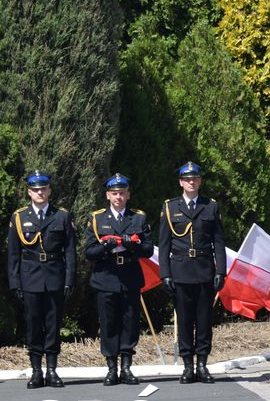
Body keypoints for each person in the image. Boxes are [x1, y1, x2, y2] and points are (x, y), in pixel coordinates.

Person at [159, 161, 227, 384]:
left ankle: (202, 364)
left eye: (195, 178)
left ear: (200, 181)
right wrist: (165, 274)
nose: (191, 182)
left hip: (205, 269)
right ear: (181, 182)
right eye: (187, 179)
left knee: (204, 320)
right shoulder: (170, 207)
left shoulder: (210, 206)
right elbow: (164, 244)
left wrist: (221, 271)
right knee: (185, 320)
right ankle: (188, 365)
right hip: (180, 270)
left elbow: (218, 241)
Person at [7, 171, 75, 388]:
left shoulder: (62, 216)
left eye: (43, 189)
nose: (40, 192)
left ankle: (52, 370)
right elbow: (13, 254)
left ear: (49, 191)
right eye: (35, 189)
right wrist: (15, 282)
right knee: (33, 325)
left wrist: (69, 279)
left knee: (53, 325)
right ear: (29, 192)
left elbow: (71, 252)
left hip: (55, 276)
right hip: (30, 278)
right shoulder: (19, 217)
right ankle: (36, 371)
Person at [84, 173, 154, 386]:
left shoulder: (138, 218)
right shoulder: (97, 219)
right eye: (114, 193)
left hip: (130, 277)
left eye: (122, 193)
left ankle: (126, 367)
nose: (118, 197)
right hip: (106, 277)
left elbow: (148, 250)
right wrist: (107, 245)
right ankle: (111, 368)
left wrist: (132, 245)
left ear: (128, 195)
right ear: (107, 195)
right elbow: (89, 252)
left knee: (129, 323)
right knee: (108, 324)